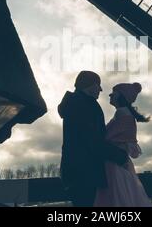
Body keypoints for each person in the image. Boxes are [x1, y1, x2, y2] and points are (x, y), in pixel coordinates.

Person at [58, 71, 128, 207]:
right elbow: (93, 142)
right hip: (86, 175)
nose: (101, 89)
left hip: (77, 174)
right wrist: (121, 156)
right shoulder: (85, 105)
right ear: (90, 85)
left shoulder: (75, 104)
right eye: (98, 85)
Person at [94, 82, 152, 207]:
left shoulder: (122, 115)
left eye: (113, 92)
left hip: (114, 164)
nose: (110, 94)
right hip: (118, 163)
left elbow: (106, 139)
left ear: (122, 96)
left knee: (116, 198)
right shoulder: (124, 114)